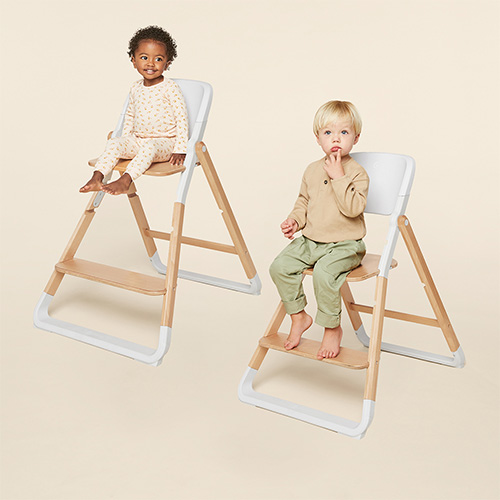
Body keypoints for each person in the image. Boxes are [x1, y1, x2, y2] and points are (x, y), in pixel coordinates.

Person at [269, 101, 369, 359]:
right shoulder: (312, 170)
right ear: (318, 138)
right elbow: (304, 201)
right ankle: (298, 316)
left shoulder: (357, 173)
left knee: (324, 273)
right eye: (328, 132)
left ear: (356, 138)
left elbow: (353, 209)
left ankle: (332, 328)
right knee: (279, 266)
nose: (336, 138)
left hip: (346, 244)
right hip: (312, 241)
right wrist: (294, 220)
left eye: (344, 132)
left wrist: (339, 177)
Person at [80, 25, 188, 195]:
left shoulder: (170, 87)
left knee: (150, 146)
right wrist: (126, 140)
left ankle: (126, 180)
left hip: (164, 143)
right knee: (114, 142)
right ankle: (97, 177)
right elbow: (130, 114)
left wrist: (180, 148)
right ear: (134, 61)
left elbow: (182, 117)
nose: (151, 63)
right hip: (138, 141)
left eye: (158, 59)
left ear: (167, 64)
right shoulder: (135, 87)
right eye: (144, 57)